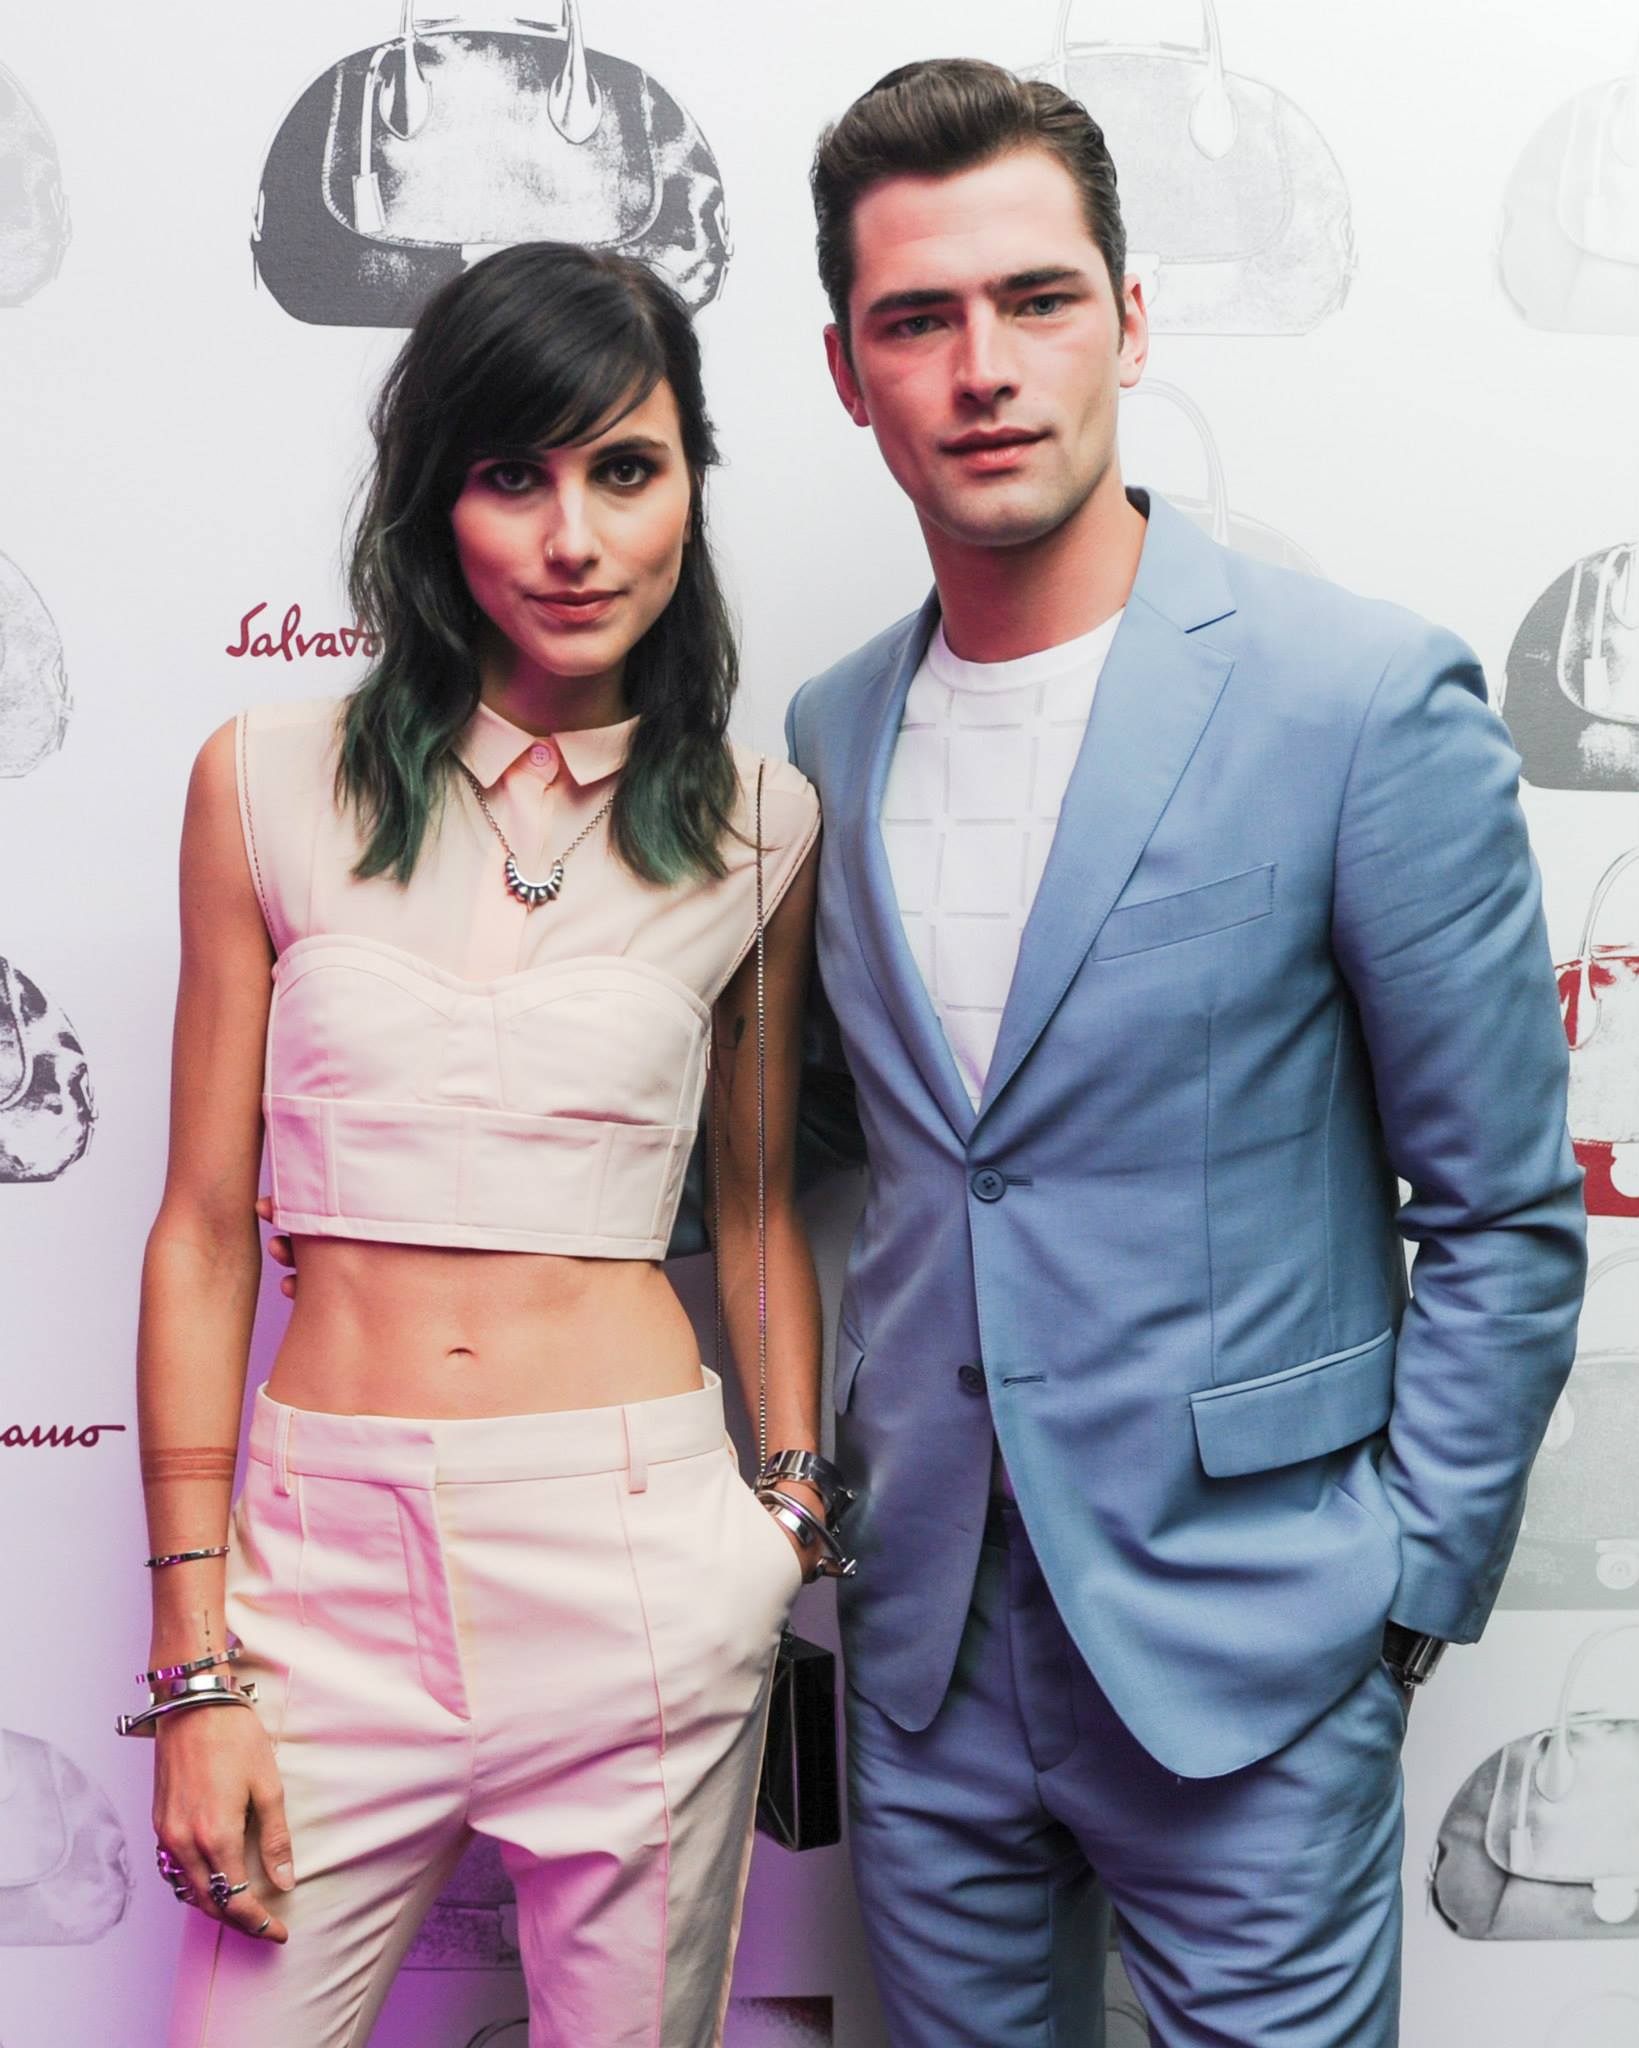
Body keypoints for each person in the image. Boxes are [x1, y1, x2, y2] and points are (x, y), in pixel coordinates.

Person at [782, 59, 1588, 2047]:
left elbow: (1499, 1209)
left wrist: (1402, 1595)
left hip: (1254, 1650)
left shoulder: (1356, 698)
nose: (984, 367)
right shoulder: (824, 736)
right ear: (847, 372)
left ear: (1131, 322)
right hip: (925, 1658)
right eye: (917, 318)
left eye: (1038, 299)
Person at [131, 240, 844, 2048]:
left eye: (627, 468)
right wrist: (197, 1666)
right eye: (513, 474)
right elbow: (204, 1232)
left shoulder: (762, 826)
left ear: (690, 486)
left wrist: (783, 1512)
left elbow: (757, 1201)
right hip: (322, 1581)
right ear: (435, 497)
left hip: (641, 1570)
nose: (574, 538)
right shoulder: (262, 780)